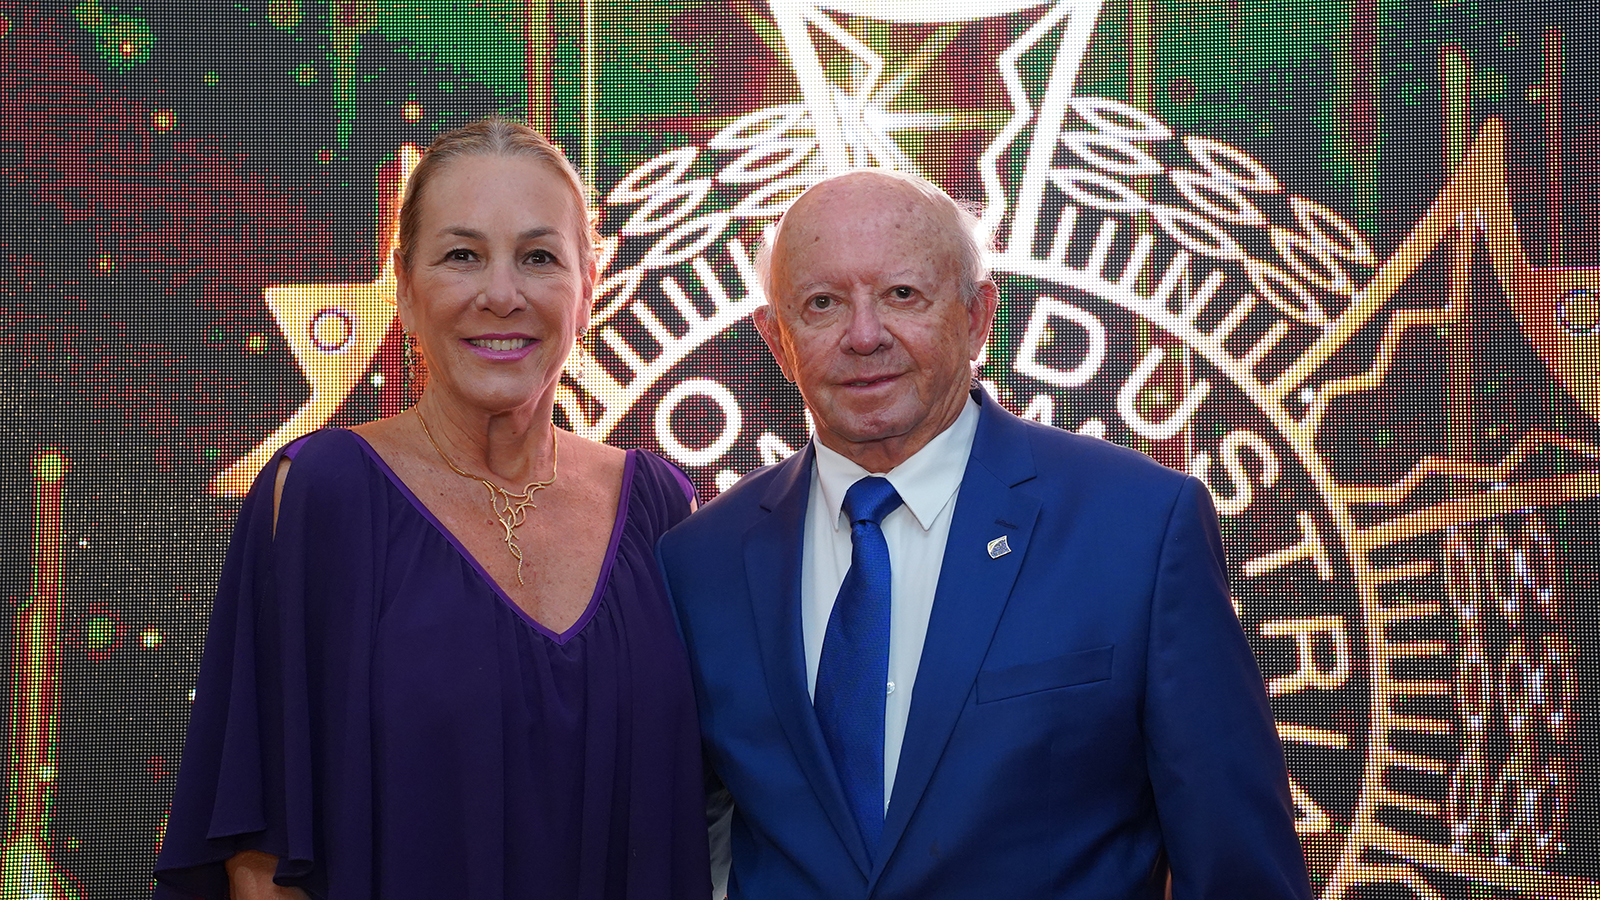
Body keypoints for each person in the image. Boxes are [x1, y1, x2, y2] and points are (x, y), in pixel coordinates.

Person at [657, 170, 1313, 899]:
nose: (864, 336)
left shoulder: (1138, 529)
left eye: (902, 294)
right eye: (822, 304)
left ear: (976, 318)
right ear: (778, 341)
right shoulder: (700, 564)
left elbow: (1239, 870)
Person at [155, 117, 711, 900]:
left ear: (589, 286)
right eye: (461, 256)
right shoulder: (322, 495)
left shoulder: (662, 511)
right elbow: (260, 860)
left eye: (539, 257)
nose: (501, 294)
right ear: (406, 289)